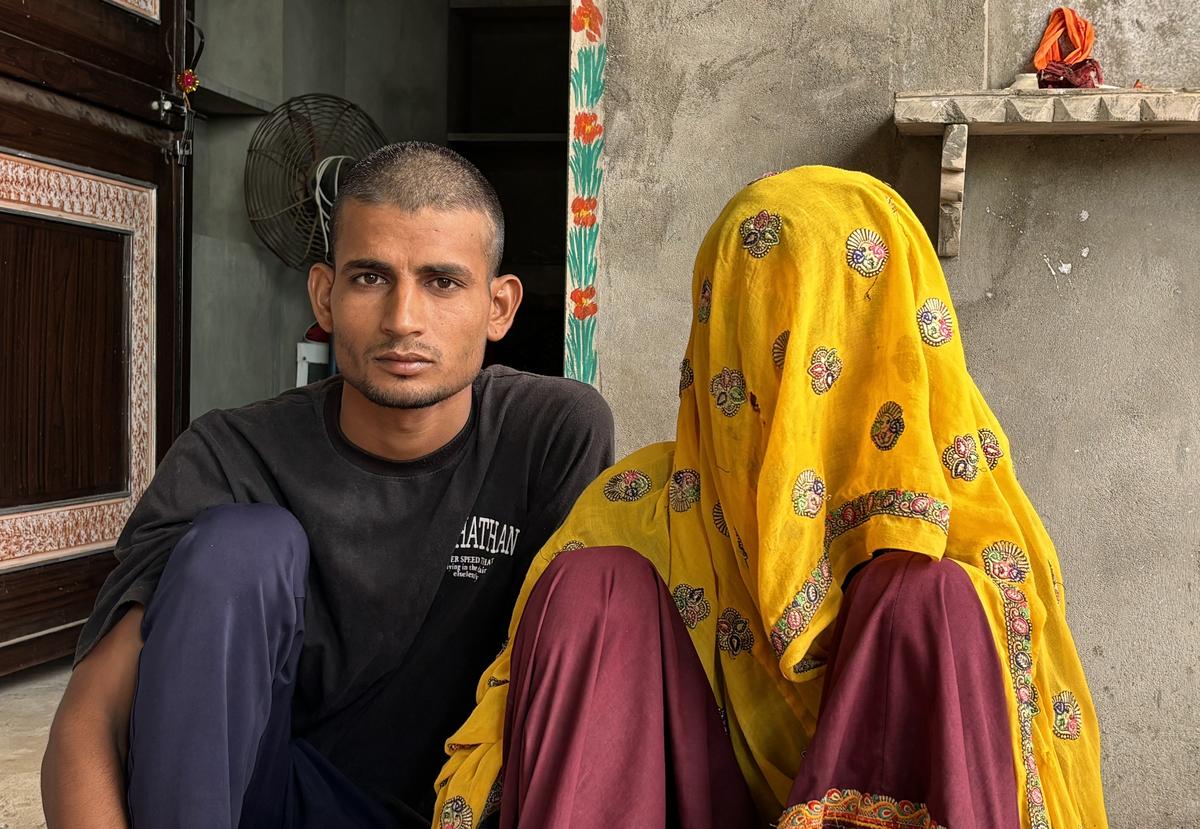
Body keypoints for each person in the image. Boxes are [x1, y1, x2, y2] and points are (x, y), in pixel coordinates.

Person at [434, 166, 1107, 829]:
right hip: (700, 797)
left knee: (930, 593)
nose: (795, 394)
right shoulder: (642, 510)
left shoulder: (972, 530)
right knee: (593, 586)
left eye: (835, 341)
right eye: (760, 336)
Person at [40, 141, 615, 829]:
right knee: (240, 547)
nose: (404, 319)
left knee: (608, 584)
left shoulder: (550, 434)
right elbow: (91, 719)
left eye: (442, 282)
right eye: (371, 278)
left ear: (499, 306)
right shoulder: (231, 455)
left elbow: (580, 687)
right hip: (277, 804)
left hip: (471, 808)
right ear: (325, 294)